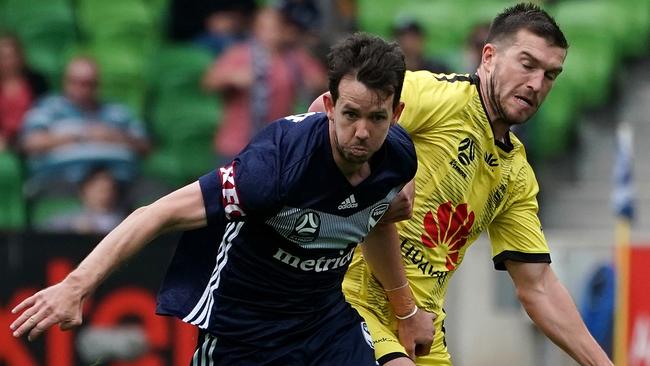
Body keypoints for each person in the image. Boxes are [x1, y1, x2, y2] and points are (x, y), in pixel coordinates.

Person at [10, 33, 434, 365]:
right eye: (350, 115)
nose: (362, 132)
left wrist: (406, 310)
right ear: (328, 106)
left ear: (395, 114)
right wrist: (76, 285)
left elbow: (375, 220)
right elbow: (157, 212)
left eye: (377, 118)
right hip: (245, 332)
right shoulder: (273, 170)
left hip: (324, 324)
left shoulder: (397, 158)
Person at [310, 3, 613, 365]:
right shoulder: (437, 96)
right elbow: (318, 117)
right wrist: (370, 186)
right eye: (527, 64)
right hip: (353, 304)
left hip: (422, 330)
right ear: (488, 57)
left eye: (550, 75)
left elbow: (538, 285)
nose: (536, 84)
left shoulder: (516, 173)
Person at [202, 6, 327, 162]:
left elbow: (320, 82)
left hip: (276, 145)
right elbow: (209, 82)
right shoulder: (240, 54)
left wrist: (311, 82)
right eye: (265, 27)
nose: (271, 32)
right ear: (256, 29)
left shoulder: (294, 58)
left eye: (275, 27)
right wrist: (233, 78)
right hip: (236, 145)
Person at [19, 57, 150, 190]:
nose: (83, 89)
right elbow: (30, 143)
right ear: (65, 82)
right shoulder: (48, 108)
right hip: (63, 180)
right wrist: (78, 135)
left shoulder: (117, 111)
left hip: (120, 182)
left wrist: (114, 136)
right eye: (77, 82)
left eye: (89, 83)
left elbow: (144, 145)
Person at [0, 33, 48, 150]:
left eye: (11, 56)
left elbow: (47, 110)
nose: (8, 62)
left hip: (33, 135)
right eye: (3, 57)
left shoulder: (37, 81)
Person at [44, 167, 126, 234]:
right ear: (84, 190)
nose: (105, 194)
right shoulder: (66, 219)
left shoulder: (123, 222)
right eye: (99, 189)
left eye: (109, 189)